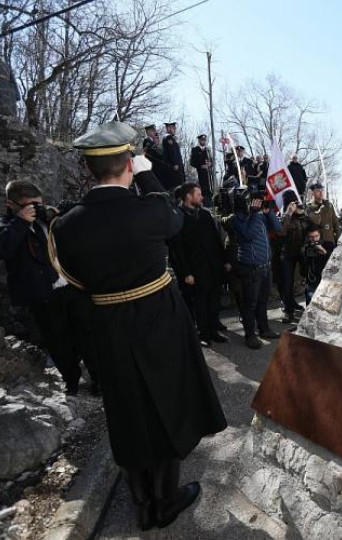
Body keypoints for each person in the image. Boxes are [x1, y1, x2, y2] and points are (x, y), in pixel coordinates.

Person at [51, 121, 227, 531]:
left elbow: (75, 281)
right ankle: (164, 501)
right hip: (159, 319)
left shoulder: (64, 225)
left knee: (127, 412)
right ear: (129, 163)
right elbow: (173, 220)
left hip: (107, 327)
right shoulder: (150, 209)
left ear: (89, 169)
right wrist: (147, 172)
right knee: (166, 405)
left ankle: (143, 501)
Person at [0, 181, 98, 395]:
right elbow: (4, 247)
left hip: (72, 286)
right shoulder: (8, 224)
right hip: (43, 295)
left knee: (88, 335)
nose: (36, 209)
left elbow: (80, 216)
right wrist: (20, 222)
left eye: (39, 204)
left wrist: (57, 213)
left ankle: (98, 380)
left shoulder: (48, 218)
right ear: (12, 204)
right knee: (58, 341)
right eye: (30, 205)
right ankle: (71, 381)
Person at [169, 183, 229, 347]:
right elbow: (177, 250)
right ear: (188, 196)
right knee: (200, 303)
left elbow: (216, 240)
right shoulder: (178, 217)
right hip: (195, 270)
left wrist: (224, 261)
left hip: (213, 266)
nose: (202, 197)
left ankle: (213, 330)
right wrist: (186, 273)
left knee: (213, 300)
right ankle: (204, 334)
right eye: (198, 194)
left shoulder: (204, 215)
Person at [229, 190, 282, 349]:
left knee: (262, 301)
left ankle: (264, 329)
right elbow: (248, 235)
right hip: (251, 268)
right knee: (250, 304)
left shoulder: (259, 215)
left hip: (266, 267)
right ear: (246, 203)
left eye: (259, 201)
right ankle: (250, 335)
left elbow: (277, 227)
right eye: (255, 201)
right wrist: (257, 215)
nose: (259, 204)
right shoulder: (237, 219)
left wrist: (268, 212)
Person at [278, 190, 309, 324]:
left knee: (308, 276)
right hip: (287, 253)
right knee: (287, 282)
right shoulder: (283, 215)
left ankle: (307, 307)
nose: (293, 204)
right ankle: (288, 311)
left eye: (294, 201)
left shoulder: (300, 213)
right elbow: (281, 232)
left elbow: (309, 227)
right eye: (291, 202)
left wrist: (302, 213)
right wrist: (289, 214)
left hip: (300, 251)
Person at [301, 224, 334, 304]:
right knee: (311, 306)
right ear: (307, 238)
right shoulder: (306, 248)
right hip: (312, 281)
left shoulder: (329, 245)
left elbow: (335, 263)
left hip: (327, 282)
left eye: (316, 236)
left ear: (320, 235)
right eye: (311, 237)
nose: (314, 239)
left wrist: (323, 251)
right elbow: (303, 269)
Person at [189, 135, 213, 204]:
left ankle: (210, 205)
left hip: (208, 175)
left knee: (209, 191)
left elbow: (212, 161)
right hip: (199, 173)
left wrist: (210, 165)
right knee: (201, 190)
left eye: (204, 140)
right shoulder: (195, 150)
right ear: (199, 140)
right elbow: (192, 162)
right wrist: (200, 166)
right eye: (202, 140)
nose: (203, 141)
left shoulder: (208, 150)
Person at [161, 121, 185, 190]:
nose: (175, 130)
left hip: (176, 167)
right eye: (173, 128)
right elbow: (172, 152)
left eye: (174, 128)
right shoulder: (168, 138)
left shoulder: (171, 138)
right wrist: (175, 163)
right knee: (176, 186)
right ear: (168, 128)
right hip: (174, 168)